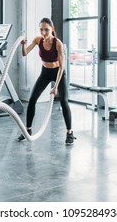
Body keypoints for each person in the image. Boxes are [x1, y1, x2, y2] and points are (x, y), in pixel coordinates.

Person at [18, 17, 76, 145]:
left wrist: (55, 87)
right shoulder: (38, 39)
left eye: (46, 30)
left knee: (64, 101)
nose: (43, 32)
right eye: (41, 29)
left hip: (58, 72)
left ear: (52, 29)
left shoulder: (58, 43)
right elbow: (24, 53)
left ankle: (70, 133)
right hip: (45, 72)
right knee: (32, 99)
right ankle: (27, 130)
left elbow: (61, 67)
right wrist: (23, 46)